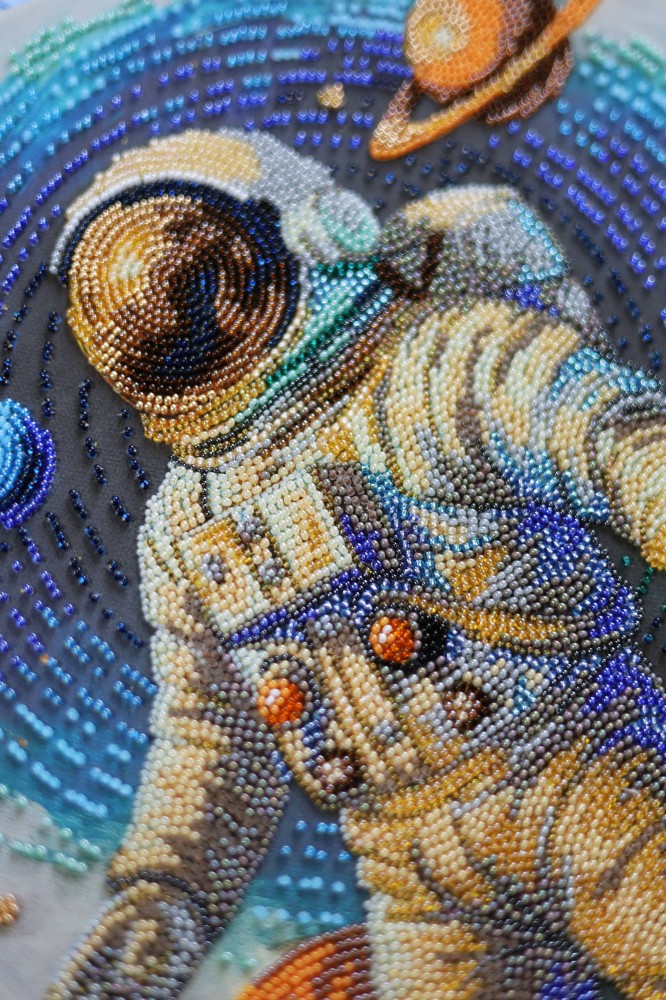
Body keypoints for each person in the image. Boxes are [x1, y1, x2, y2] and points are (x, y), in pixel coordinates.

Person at [49, 129, 666, 1000]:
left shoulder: (436, 364)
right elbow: (214, 736)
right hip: (414, 878)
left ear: (312, 234)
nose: (179, 313)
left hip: (593, 773)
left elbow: (616, 440)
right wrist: (165, 897)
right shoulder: (189, 523)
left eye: (204, 274)